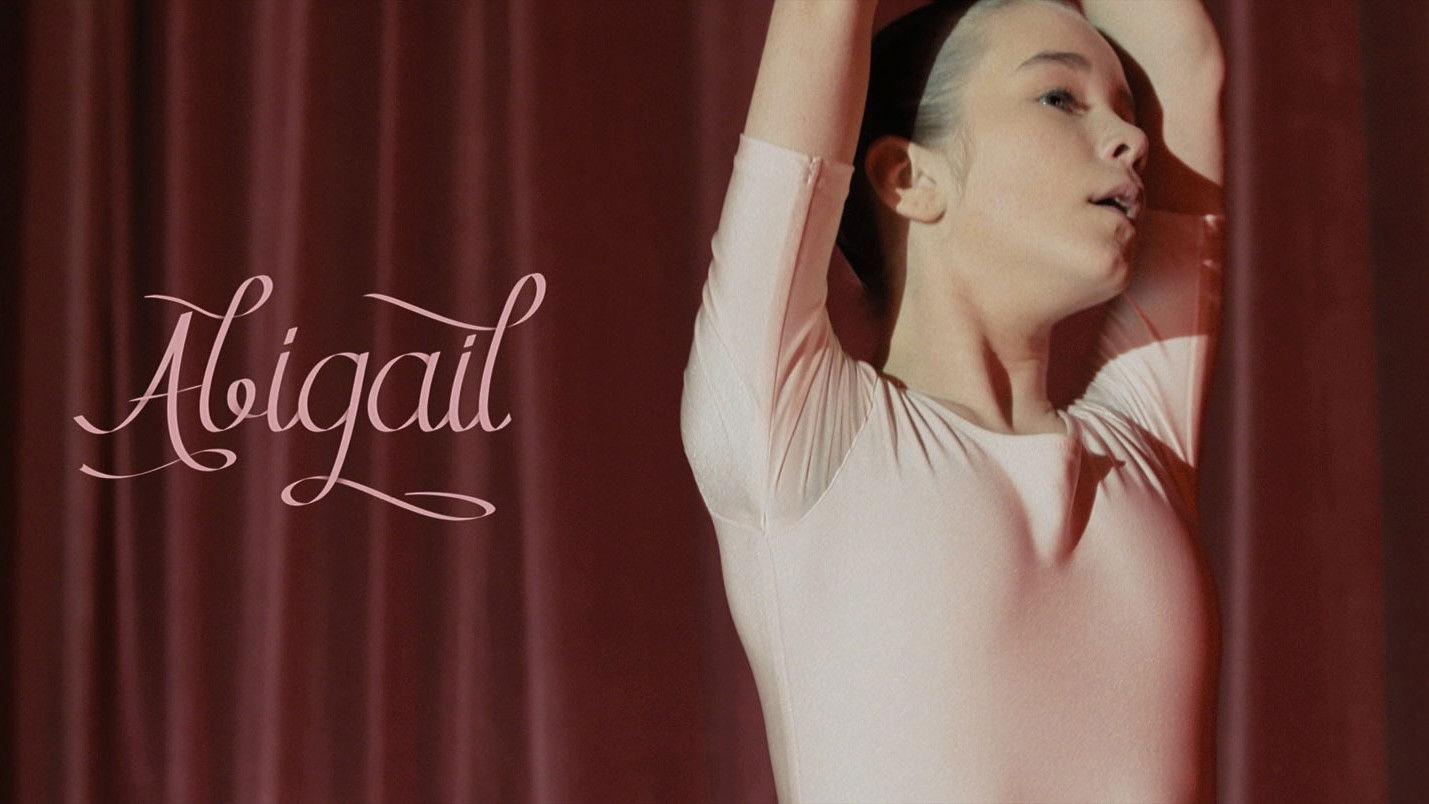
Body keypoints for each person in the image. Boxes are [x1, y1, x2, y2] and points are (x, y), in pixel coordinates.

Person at [680, 0, 1225, 800]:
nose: (1133, 140)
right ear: (908, 178)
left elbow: (1185, 61)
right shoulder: (793, 430)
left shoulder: (1142, 443)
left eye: (1124, 110)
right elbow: (819, 17)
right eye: (1059, 98)